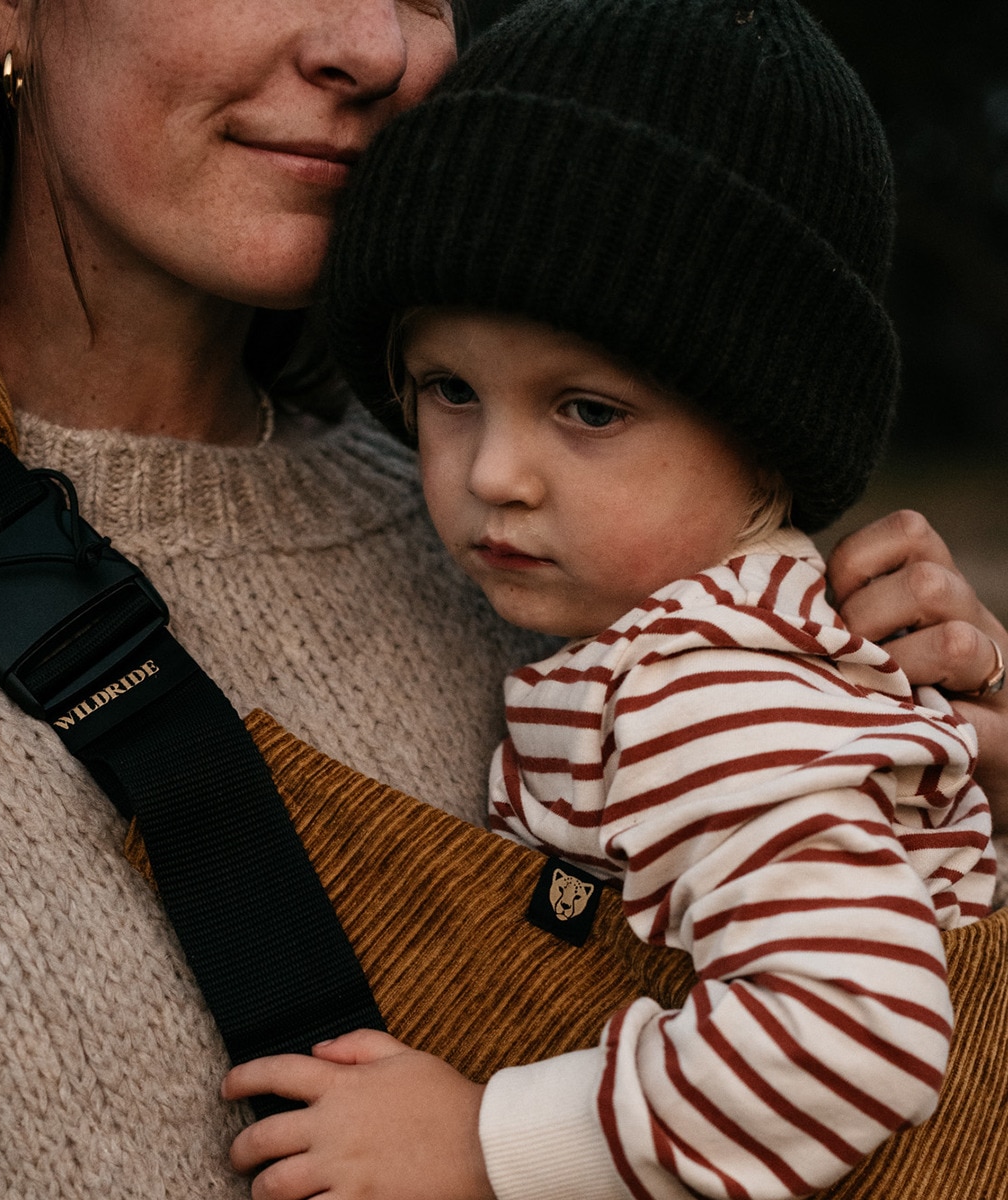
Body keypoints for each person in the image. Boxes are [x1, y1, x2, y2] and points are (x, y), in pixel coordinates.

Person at [0, 0, 1004, 1197]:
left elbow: (863, 1032)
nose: (372, 46)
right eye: (450, 392)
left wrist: (964, 797)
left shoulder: (619, 600)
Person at [222, 2, 1004, 1199]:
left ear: (765, 446)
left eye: (589, 410)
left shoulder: (708, 695)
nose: (494, 474)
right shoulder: (691, 645)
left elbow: (858, 1033)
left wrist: (489, 1144)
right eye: (449, 389)